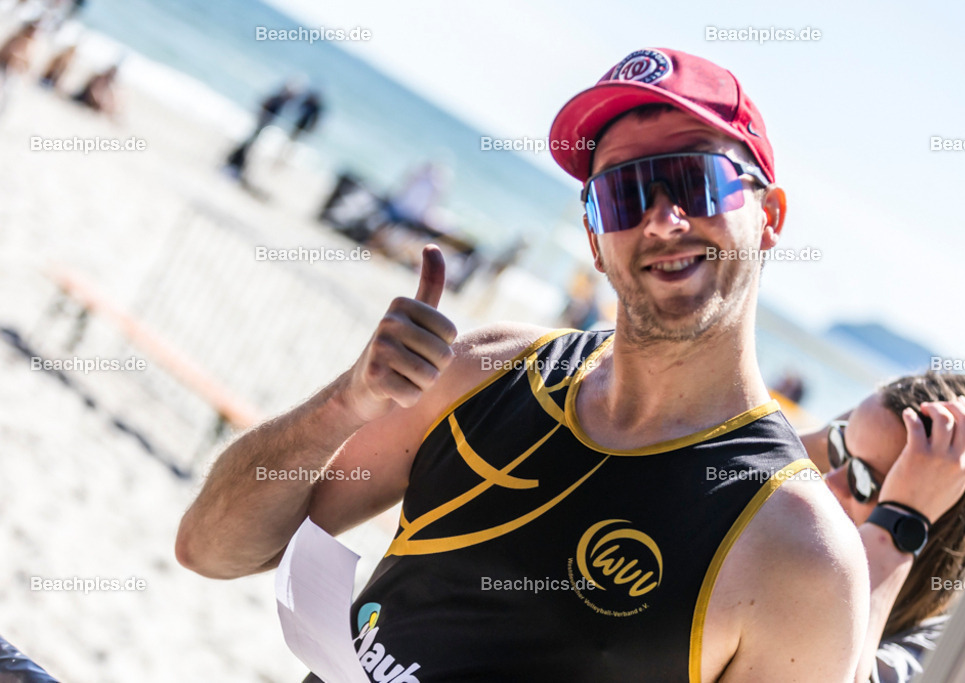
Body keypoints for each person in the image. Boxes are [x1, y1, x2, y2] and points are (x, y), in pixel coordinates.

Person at [177, 48, 875, 681]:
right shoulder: (485, 369)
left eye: (696, 180)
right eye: (623, 195)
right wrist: (346, 403)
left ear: (770, 214)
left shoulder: (799, 554)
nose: (663, 220)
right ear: (595, 241)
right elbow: (212, 549)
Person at [801, 372, 965, 682]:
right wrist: (831, 439)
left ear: (935, 517)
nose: (830, 482)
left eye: (865, 479)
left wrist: (901, 524)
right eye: (838, 452)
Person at [223, 80, 301, 179]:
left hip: (262, 124)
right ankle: (234, 162)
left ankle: (236, 162)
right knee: (248, 143)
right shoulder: (277, 99)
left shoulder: (279, 99)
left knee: (250, 144)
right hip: (261, 124)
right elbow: (265, 107)